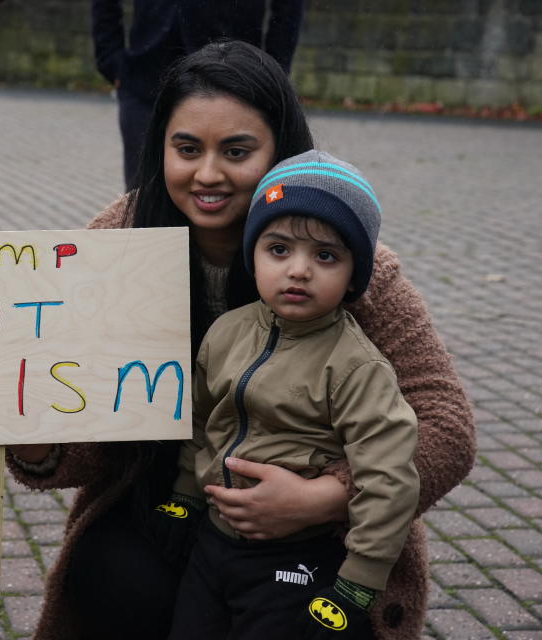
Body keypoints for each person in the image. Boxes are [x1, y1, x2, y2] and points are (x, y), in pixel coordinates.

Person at [7, 40, 475, 640]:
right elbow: (100, 418)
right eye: (186, 149)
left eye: (236, 150)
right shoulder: (120, 238)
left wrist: (328, 496)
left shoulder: (353, 264)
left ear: (280, 151)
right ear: (160, 149)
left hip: (317, 527)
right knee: (111, 579)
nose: (207, 174)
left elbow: (447, 422)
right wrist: (37, 443)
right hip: (168, 492)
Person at [167, 150, 420, 639]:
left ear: (354, 273)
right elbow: (200, 421)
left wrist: (359, 583)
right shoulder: (226, 332)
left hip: (294, 557)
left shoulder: (356, 366)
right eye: (278, 249)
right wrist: (184, 495)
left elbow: (389, 478)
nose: (299, 270)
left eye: (325, 255)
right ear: (253, 254)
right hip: (211, 545)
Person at [91, 0, 305, 188]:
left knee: (235, 192)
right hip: (145, 78)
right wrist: (110, 59)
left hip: (236, 78)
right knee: (143, 198)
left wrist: (273, 68)